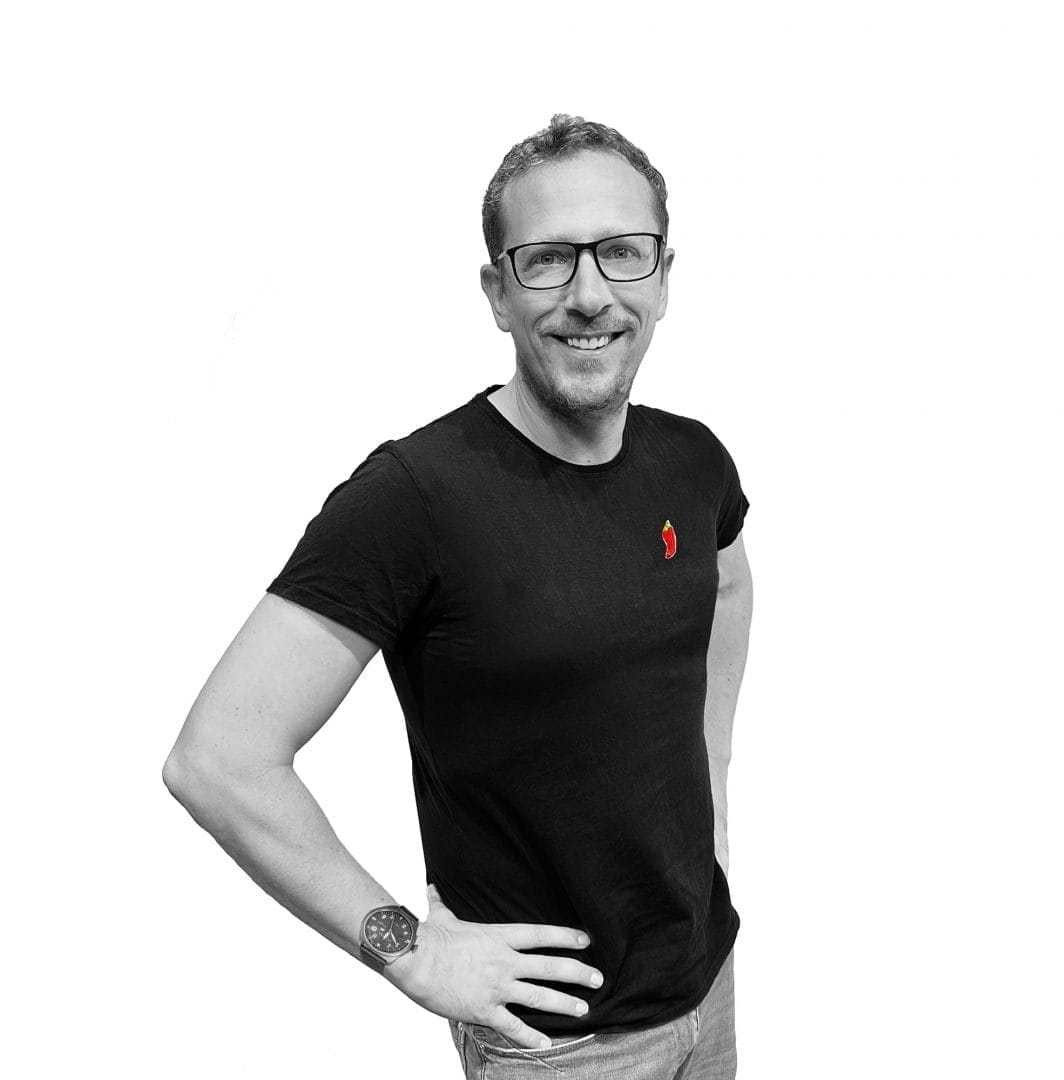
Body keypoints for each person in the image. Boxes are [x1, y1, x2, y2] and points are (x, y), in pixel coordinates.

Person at [163, 112, 753, 1079]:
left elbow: (723, 585)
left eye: (622, 252)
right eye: (547, 260)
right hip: (556, 1045)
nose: (590, 294)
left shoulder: (693, 461)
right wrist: (411, 951)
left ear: (663, 277)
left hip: (708, 978)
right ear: (497, 293)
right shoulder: (417, 496)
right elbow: (218, 760)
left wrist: (713, 793)